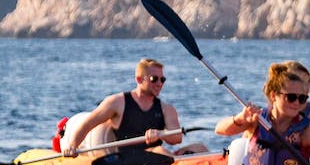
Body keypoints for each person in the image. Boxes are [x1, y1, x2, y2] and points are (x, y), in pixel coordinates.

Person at [62, 58, 208, 157]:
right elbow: (88, 124)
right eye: (154, 79)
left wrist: (160, 133)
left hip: (160, 156)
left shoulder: (167, 109)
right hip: (129, 161)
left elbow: (177, 138)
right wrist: (72, 145)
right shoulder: (117, 103)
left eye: (162, 79)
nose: (159, 83)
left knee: (200, 148)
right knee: (159, 150)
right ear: (139, 79)